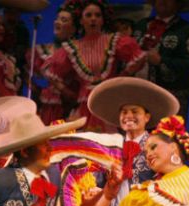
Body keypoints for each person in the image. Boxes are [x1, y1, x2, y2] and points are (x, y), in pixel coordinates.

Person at [85, 76, 179, 206]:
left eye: (134, 111)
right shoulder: (108, 148)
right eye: (124, 112)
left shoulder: (158, 147)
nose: (128, 116)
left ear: (147, 117)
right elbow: (95, 188)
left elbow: (170, 185)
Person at [44, 0, 146, 132]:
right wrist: (70, 94)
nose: (93, 19)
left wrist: (120, 79)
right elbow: (53, 72)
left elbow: (138, 59)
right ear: (81, 20)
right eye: (88, 15)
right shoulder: (73, 47)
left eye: (98, 15)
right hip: (85, 105)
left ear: (103, 20)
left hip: (109, 103)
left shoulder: (114, 41)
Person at [132, 0, 189, 120]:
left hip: (172, 97)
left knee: (167, 135)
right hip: (139, 94)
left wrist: (162, 61)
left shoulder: (187, 30)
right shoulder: (141, 25)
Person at [25, 1, 78, 124]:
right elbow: (29, 78)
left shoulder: (77, 52)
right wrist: (37, 92)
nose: (57, 22)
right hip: (46, 107)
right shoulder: (40, 51)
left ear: (74, 28)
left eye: (64, 20)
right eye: (57, 19)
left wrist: (61, 88)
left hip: (67, 108)